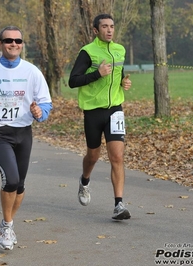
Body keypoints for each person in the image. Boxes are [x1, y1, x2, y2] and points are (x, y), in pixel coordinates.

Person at [0, 26, 52, 250]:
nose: (13, 44)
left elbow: (45, 102)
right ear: (0, 44)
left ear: (22, 44)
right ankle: (6, 226)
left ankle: (8, 222)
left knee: (21, 184)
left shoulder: (32, 71)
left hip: (23, 132)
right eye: (8, 40)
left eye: (18, 41)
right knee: (11, 180)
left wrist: (39, 113)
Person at [68, 14, 132, 220]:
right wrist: (97, 74)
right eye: (105, 26)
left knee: (117, 157)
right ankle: (85, 180)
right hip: (93, 111)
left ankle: (119, 205)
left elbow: (119, 73)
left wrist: (124, 82)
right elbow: (73, 81)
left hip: (115, 110)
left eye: (112, 26)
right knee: (93, 156)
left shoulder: (119, 49)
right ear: (96, 30)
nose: (109, 30)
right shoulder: (87, 52)